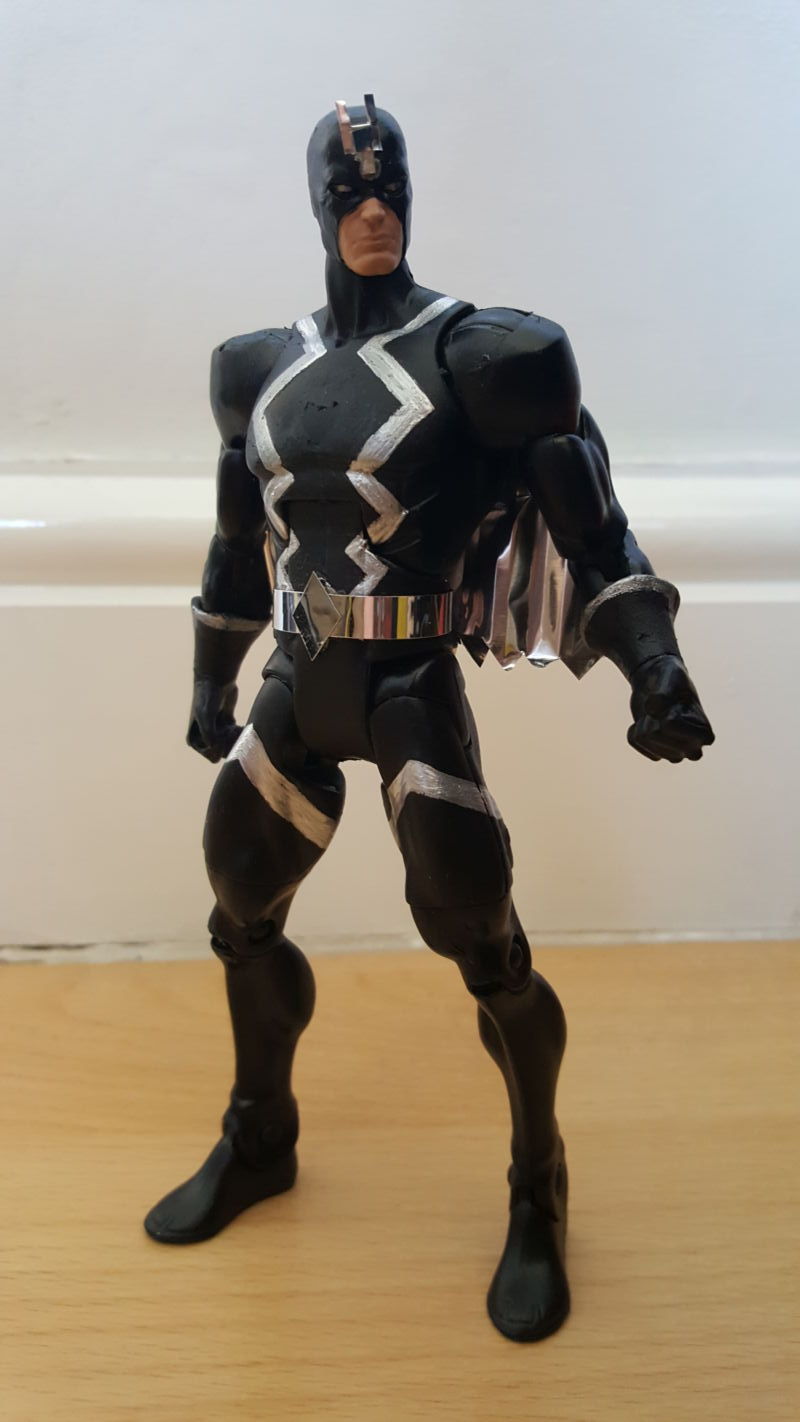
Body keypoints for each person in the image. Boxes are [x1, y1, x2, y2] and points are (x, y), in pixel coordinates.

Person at [144, 96, 714, 1342]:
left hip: (409, 684)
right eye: (347, 191)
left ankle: (536, 1178)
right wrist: (207, 679)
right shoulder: (255, 370)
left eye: (388, 185)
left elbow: (591, 526)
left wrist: (654, 669)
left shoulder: (485, 357)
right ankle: (260, 1133)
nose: (372, 209)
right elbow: (239, 544)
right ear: (315, 205)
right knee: (238, 902)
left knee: (477, 933)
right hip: (300, 674)